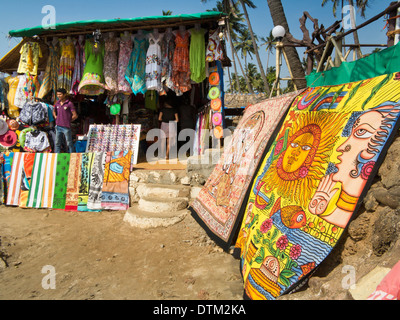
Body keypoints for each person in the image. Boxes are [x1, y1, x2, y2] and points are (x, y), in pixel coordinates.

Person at [53, 88, 78, 153]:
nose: (58, 96)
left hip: (66, 127)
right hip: (58, 126)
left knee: (69, 143)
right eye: (57, 94)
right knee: (57, 143)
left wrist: (68, 120)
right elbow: (54, 111)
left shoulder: (69, 104)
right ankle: (57, 156)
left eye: (60, 94)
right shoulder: (57, 103)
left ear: (64, 95)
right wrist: (56, 117)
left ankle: (71, 155)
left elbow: (75, 115)